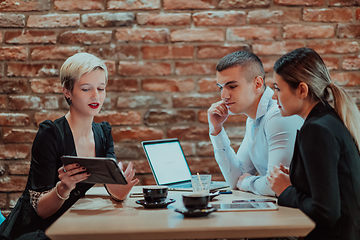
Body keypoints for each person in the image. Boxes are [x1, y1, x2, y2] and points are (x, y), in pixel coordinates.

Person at [0, 53, 139, 240]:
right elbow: (39, 209)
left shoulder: (103, 133)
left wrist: (122, 188)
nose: (95, 96)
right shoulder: (50, 134)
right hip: (35, 230)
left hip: (69, 224)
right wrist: (63, 188)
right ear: (67, 91)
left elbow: (113, 188)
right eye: (86, 89)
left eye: (101, 88)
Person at [268, 47, 360, 240]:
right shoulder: (326, 120)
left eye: (278, 88)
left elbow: (325, 212)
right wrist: (296, 181)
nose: (274, 96)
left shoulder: (316, 130)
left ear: (302, 89)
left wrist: (285, 190)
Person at [207, 51, 303, 196]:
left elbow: (275, 185)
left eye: (232, 86)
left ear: (257, 84)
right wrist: (217, 130)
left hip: (301, 215)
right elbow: (235, 180)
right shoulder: (253, 119)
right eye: (221, 87)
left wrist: (247, 182)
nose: (224, 96)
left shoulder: (277, 116)